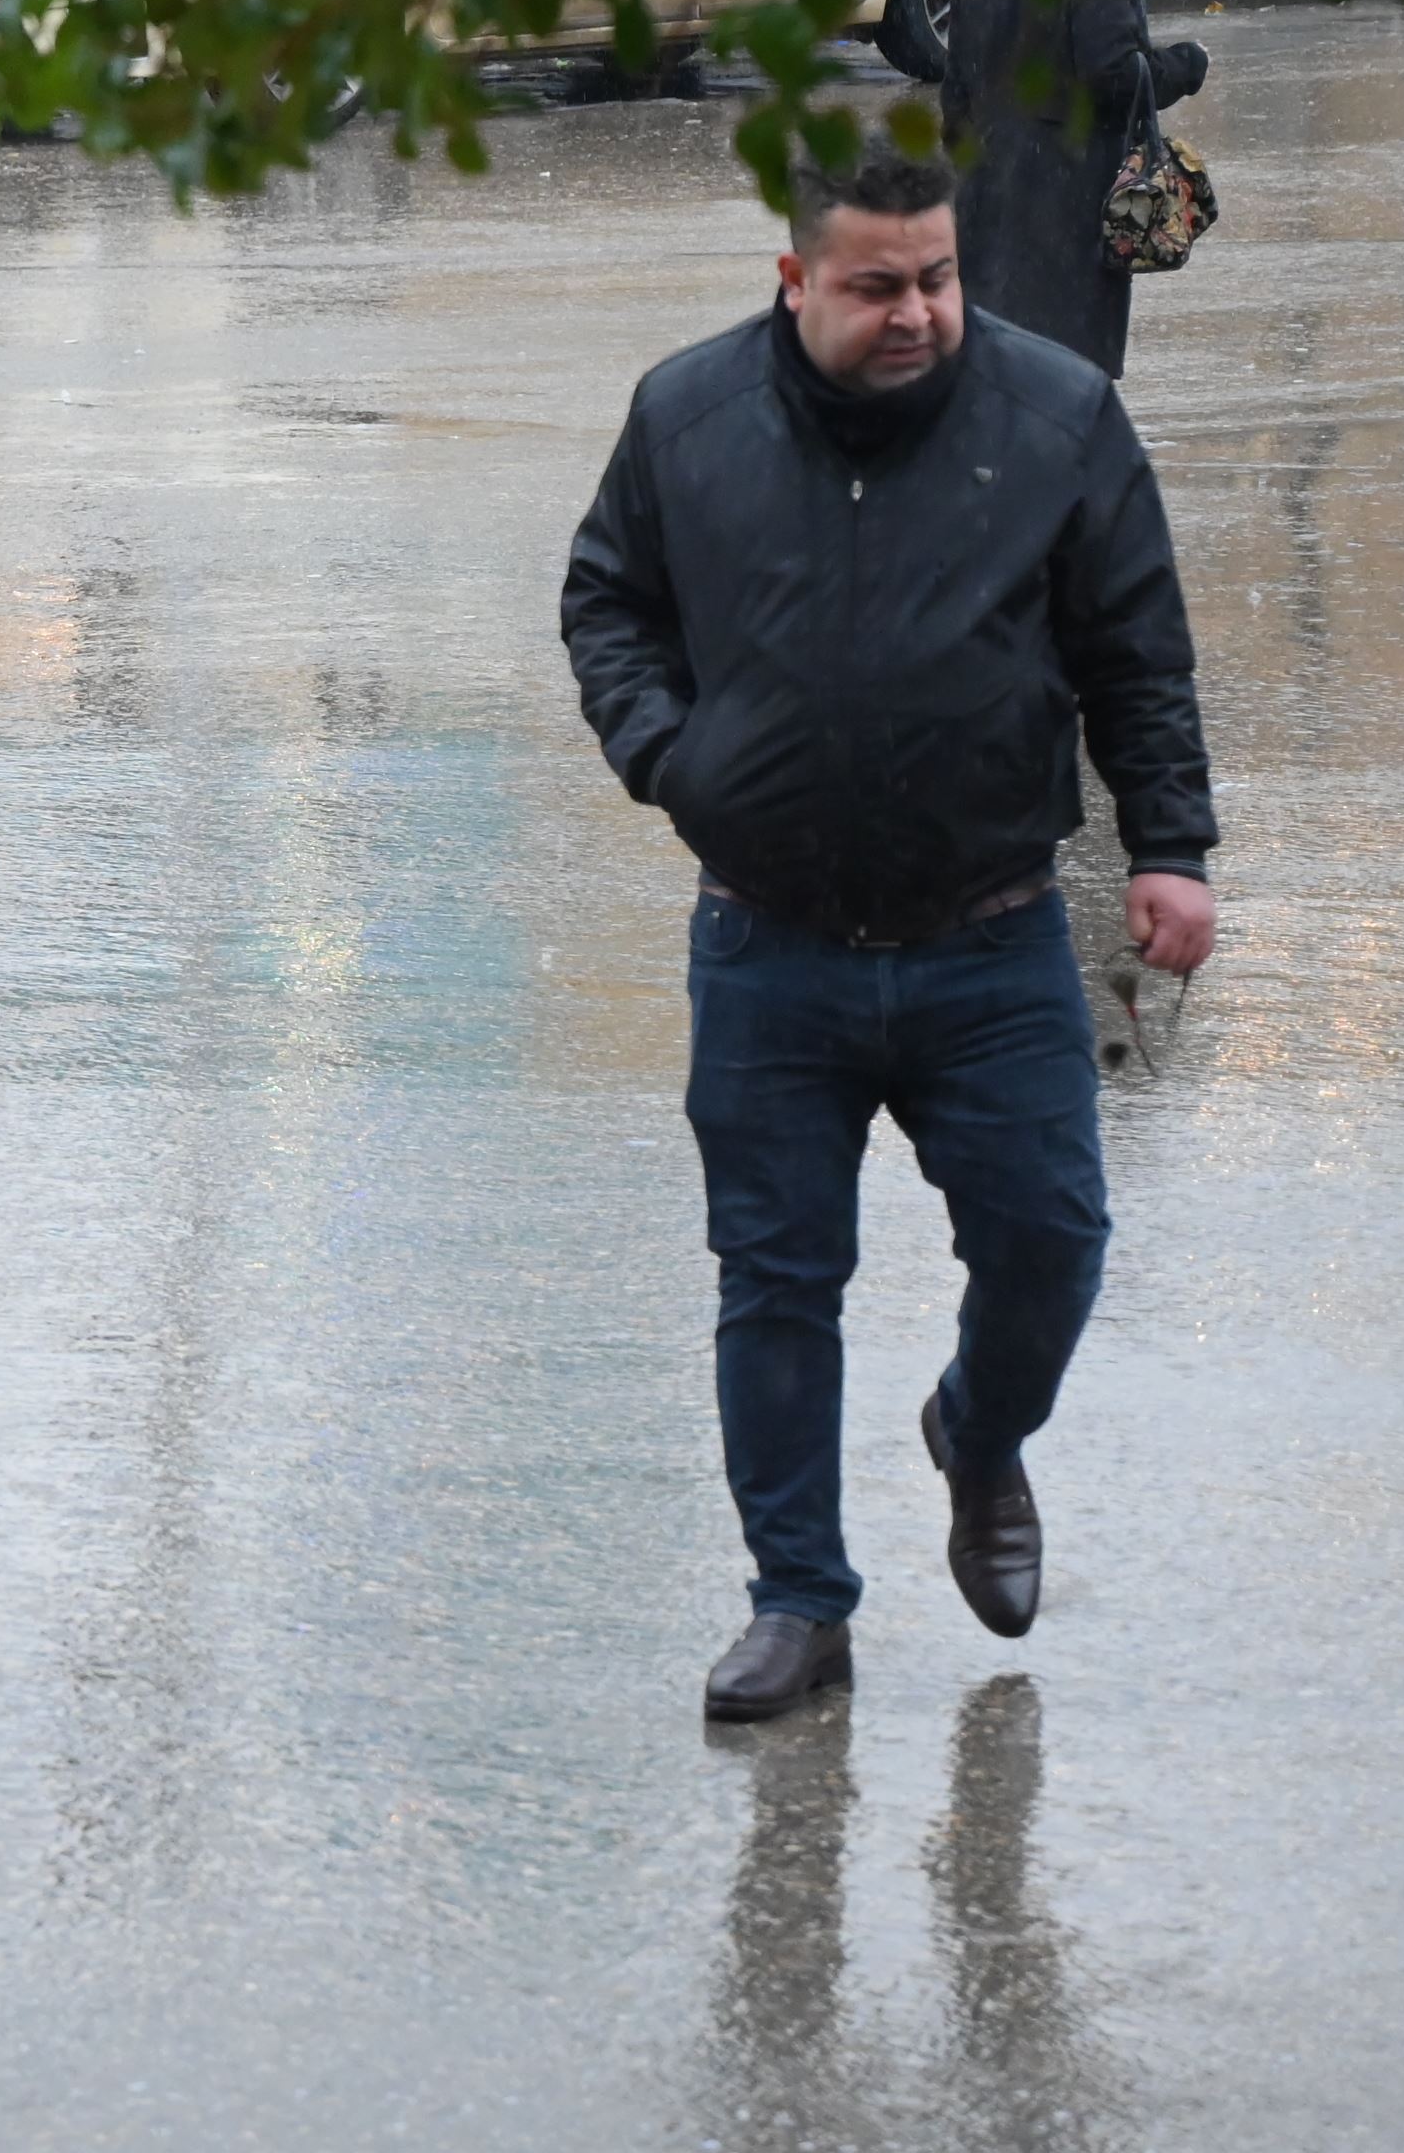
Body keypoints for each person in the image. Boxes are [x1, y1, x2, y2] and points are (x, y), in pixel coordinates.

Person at [558, 148, 1216, 1726]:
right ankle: (799, 1605)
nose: (918, 312)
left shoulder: (1054, 417)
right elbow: (607, 603)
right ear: (797, 282)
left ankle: (978, 1436)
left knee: (1053, 1244)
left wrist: (1171, 848)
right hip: (769, 944)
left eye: (937, 277)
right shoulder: (688, 419)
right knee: (776, 1283)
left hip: (988, 944)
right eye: (876, 285)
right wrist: (670, 757)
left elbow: (1139, 645)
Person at [874, 0, 1208, 377]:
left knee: (998, 364)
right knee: (1065, 373)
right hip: (1067, 204)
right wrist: (1187, 65)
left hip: (989, 202)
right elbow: (1113, 77)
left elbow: (957, 101)